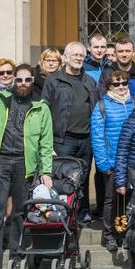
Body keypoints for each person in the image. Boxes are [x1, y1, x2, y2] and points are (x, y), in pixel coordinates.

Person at [0, 64, 54, 269]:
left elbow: (46, 142)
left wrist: (46, 171)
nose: (23, 84)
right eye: (19, 80)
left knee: (20, 212)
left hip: (24, 165)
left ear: (32, 81)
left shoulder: (41, 107)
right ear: (13, 81)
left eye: (27, 80)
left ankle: (17, 257)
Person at [42, 42, 99, 222]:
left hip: (86, 138)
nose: (78, 58)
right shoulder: (54, 80)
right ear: (65, 58)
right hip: (62, 139)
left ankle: (82, 210)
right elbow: (44, 110)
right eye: (74, 55)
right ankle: (64, 212)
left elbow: (95, 108)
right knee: (62, 177)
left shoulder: (89, 81)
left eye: (81, 56)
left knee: (82, 176)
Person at [91, 69, 135, 252]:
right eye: (116, 84)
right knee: (111, 200)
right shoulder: (102, 106)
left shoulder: (134, 104)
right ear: (109, 86)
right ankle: (109, 235)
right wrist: (103, 164)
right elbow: (97, 137)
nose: (121, 87)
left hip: (132, 161)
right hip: (112, 161)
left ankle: (124, 232)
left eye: (124, 83)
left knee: (129, 200)